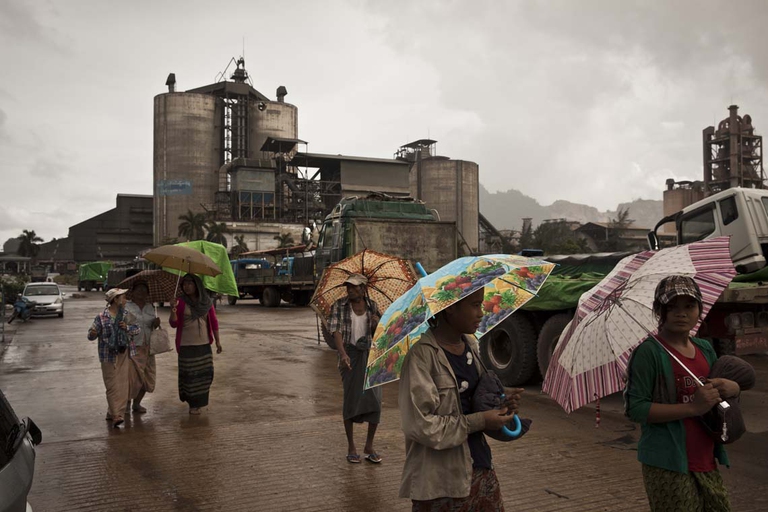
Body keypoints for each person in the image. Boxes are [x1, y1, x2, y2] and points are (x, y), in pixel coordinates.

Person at [398, 287, 523, 511]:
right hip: (441, 484)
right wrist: (481, 420)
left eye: (481, 304)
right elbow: (420, 425)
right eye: (475, 305)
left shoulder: (471, 347)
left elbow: (472, 402)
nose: (481, 313)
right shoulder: (422, 357)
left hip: (480, 469)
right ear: (450, 309)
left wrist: (500, 404)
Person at [625, 275, 740, 511]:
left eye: (689, 306)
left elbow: (716, 397)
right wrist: (692, 408)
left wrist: (732, 388)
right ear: (659, 311)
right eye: (672, 307)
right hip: (667, 463)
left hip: (706, 457)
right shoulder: (649, 353)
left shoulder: (705, 349)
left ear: (699, 309)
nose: (681, 313)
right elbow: (635, 408)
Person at [327, 274, 383, 464]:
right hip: (349, 355)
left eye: (355, 287)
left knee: (375, 400)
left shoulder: (373, 306)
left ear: (363, 288)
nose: (350, 290)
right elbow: (336, 331)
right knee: (351, 400)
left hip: (370, 355)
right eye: (348, 287)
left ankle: (369, 445)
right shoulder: (339, 306)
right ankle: (351, 445)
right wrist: (343, 354)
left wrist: (377, 324)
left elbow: (381, 334)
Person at [169, 273, 222, 415]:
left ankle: (200, 401)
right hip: (186, 346)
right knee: (190, 376)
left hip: (204, 345)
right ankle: (193, 404)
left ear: (197, 285)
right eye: (184, 284)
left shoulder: (206, 302)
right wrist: (173, 310)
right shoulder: (179, 302)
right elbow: (174, 324)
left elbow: (214, 322)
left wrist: (217, 341)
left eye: (190, 283)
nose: (187, 286)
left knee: (205, 375)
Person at [87, 288, 141, 428]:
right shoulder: (101, 317)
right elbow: (90, 335)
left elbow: (137, 329)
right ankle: (116, 414)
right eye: (122, 297)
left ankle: (115, 413)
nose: (125, 300)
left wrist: (127, 328)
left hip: (124, 353)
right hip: (107, 355)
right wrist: (93, 333)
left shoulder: (126, 315)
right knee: (111, 385)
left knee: (123, 386)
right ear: (115, 300)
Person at [124, 280, 161, 414]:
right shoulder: (126, 306)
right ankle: (127, 404)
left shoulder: (150, 306)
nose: (141, 292)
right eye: (138, 289)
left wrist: (156, 323)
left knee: (147, 377)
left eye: (144, 289)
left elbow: (150, 325)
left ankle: (137, 404)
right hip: (133, 346)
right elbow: (121, 325)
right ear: (132, 292)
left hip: (149, 347)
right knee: (132, 378)